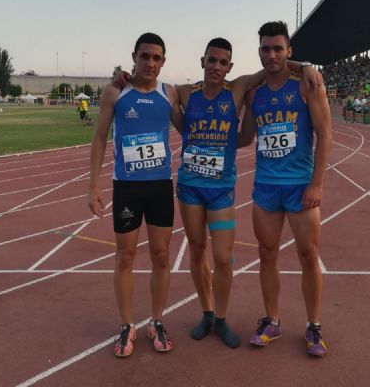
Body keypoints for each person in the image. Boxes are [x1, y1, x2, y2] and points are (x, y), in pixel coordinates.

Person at [112, 40, 320, 349]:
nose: (217, 67)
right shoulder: (182, 93)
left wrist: (305, 66)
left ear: (230, 67)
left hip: (221, 189)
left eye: (223, 62)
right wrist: (123, 75)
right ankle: (207, 313)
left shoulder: (236, 90)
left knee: (223, 258)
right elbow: (147, 83)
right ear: (202, 61)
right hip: (190, 189)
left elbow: (271, 67)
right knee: (197, 251)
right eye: (212, 60)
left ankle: (221, 319)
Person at [88, 32, 183, 358]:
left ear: (164, 61)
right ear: (134, 57)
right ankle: (127, 325)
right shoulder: (116, 92)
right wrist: (93, 185)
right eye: (145, 56)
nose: (150, 63)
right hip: (127, 187)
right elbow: (100, 138)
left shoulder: (169, 93)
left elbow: (193, 120)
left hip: (159, 186)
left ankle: (157, 320)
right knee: (125, 257)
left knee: (160, 256)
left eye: (157, 58)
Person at [240, 21, 331, 357]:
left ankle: (313, 326)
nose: (272, 54)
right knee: (267, 255)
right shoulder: (255, 92)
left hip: (300, 186)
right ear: (259, 51)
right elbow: (247, 137)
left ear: (289, 51)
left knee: (309, 257)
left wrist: (317, 183)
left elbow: (325, 134)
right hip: (266, 186)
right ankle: (272, 320)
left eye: (278, 48)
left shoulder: (306, 84)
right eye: (266, 48)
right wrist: (205, 138)